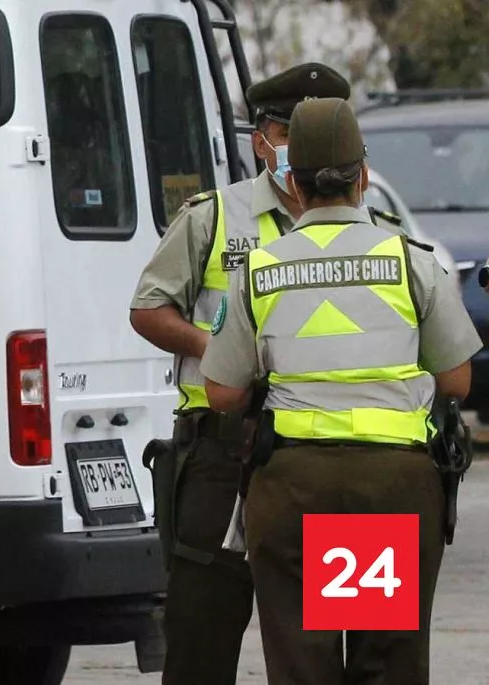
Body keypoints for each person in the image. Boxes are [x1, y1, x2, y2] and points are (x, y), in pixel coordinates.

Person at [200, 97, 480, 685]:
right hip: (389, 488)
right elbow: (456, 380)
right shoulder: (410, 261)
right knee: (383, 665)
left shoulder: (256, 269)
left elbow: (222, 392)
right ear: (364, 178)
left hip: (293, 488)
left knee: (304, 667)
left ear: (293, 186)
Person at [129, 62, 349, 685]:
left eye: (324, 135)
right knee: (201, 640)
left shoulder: (378, 238)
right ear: (262, 140)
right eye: (294, 134)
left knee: (356, 646)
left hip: (343, 456)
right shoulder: (211, 217)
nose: (307, 152)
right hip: (224, 453)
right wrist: (225, 350)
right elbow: (148, 308)